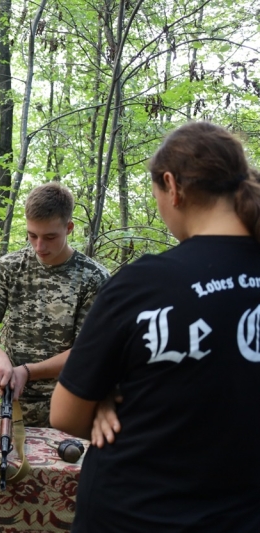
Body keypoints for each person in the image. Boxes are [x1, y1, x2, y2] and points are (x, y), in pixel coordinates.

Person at [50, 122, 260, 532]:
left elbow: (66, 414)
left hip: (134, 512)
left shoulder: (143, 283)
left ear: (172, 186)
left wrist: (103, 399)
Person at [0, 182, 109, 427]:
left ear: (69, 228)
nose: (39, 247)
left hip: (72, 404)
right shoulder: (11, 266)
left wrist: (28, 370)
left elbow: (89, 352)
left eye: (50, 237)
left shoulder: (93, 278)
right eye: (32, 236)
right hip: (14, 403)